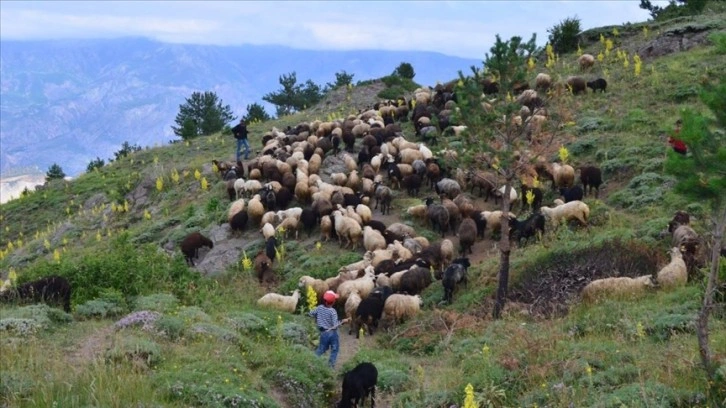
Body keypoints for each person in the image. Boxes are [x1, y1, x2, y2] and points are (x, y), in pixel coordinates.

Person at [308, 290, 350, 368]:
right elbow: (335, 325)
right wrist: (343, 321)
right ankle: (330, 366)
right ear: (333, 302)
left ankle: (311, 361)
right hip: (332, 333)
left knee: (321, 349)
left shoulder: (319, 307)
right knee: (334, 349)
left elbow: (310, 314)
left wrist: (317, 318)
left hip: (323, 332)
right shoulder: (332, 311)